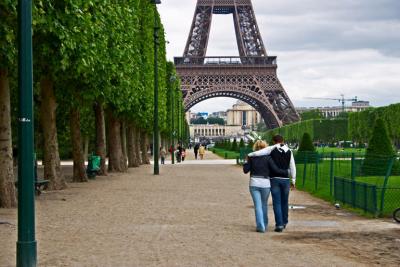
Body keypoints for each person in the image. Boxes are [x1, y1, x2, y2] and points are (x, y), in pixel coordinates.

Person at [248, 135, 296, 232]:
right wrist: (293, 180)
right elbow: (292, 166)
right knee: (285, 201)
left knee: (277, 202)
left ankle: (279, 225)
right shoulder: (289, 151)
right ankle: (284, 221)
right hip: (285, 179)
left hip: (274, 179)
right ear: (283, 140)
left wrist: (250, 154)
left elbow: (260, 152)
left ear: (274, 141)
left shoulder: (272, 148)